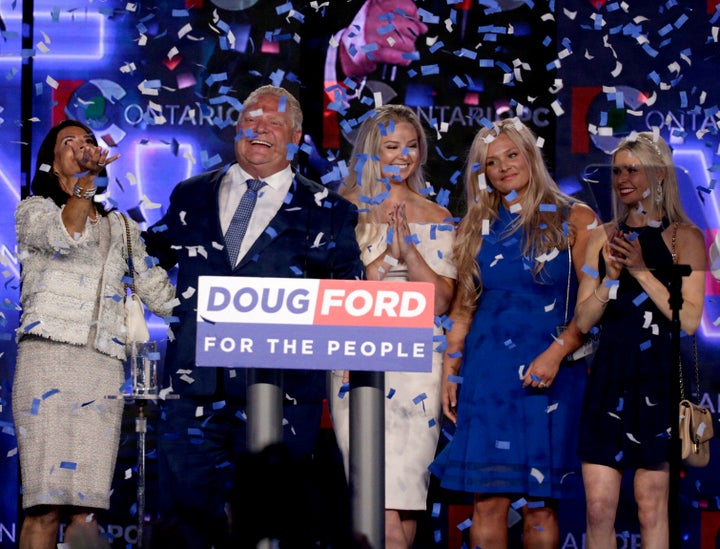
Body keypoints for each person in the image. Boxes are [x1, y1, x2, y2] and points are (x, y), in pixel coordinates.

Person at [142, 85, 365, 548]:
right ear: (236, 128)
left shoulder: (330, 211)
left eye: (274, 121)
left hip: (282, 393)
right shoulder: (190, 194)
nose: (260, 127)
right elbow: (146, 259)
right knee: (184, 524)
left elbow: (351, 295)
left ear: (297, 137)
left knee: (273, 529)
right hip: (192, 389)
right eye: (251, 117)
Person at [429, 118, 598, 548]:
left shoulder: (577, 217)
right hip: (488, 375)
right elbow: (464, 309)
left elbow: (592, 307)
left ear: (531, 155)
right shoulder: (474, 226)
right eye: (491, 162)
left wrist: (556, 354)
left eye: (511, 155)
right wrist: (452, 367)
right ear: (482, 173)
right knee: (488, 503)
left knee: (541, 506)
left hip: (550, 374)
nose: (504, 167)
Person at [12, 120, 176, 548]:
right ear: (52, 161)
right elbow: (66, 235)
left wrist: (213, 307)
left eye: (87, 140)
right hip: (47, 362)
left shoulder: (121, 226)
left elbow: (156, 290)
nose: (82, 146)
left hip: (101, 368)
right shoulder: (33, 209)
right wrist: (85, 184)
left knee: (85, 510)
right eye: (69, 142)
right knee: (45, 506)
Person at [329, 104, 457, 549]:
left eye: (412, 145)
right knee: (375, 502)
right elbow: (336, 293)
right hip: (356, 363)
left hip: (420, 362)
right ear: (370, 152)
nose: (404, 156)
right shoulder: (341, 211)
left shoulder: (438, 216)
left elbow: (442, 300)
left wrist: (411, 253)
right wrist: (386, 258)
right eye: (391, 146)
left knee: (405, 505)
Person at [574, 132, 706, 549]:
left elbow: (688, 319)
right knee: (598, 507)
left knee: (651, 505)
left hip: (656, 380)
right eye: (617, 170)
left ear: (659, 174)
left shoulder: (685, 239)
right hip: (608, 377)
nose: (623, 178)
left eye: (633, 169)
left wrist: (642, 270)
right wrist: (610, 281)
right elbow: (583, 317)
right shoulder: (600, 237)